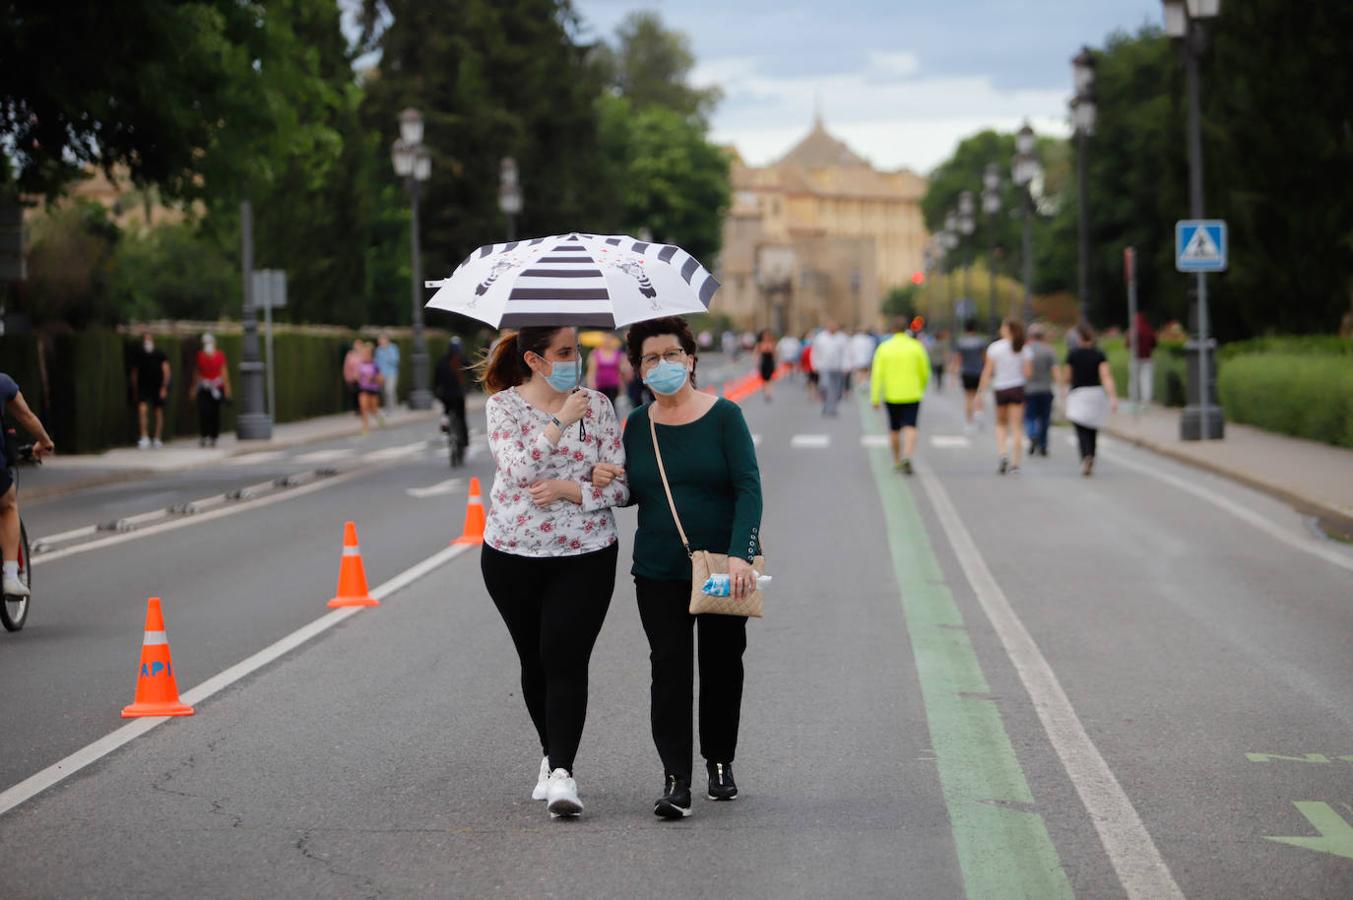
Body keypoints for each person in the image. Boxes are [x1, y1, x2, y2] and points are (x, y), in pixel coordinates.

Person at [601, 316, 762, 820]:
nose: (663, 365)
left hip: (721, 566)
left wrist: (742, 552)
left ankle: (718, 761)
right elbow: (630, 494)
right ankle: (676, 779)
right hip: (658, 570)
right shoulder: (636, 426)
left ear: (691, 360)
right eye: (651, 358)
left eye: (672, 355)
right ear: (639, 370)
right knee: (668, 669)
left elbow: (748, 488)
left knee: (721, 664)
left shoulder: (725, 417)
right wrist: (607, 477)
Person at [478, 326, 629, 819]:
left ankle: (562, 773)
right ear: (535, 359)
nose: (575, 360)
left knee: (566, 657)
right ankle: (550, 753)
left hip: (586, 552)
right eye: (564, 352)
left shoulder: (599, 406)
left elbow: (623, 486)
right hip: (511, 553)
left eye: (577, 351)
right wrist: (560, 422)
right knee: (534, 660)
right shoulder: (503, 407)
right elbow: (517, 471)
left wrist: (575, 488)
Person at [1, 373, 55, 597]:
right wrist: (45, 442)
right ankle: (11, 577)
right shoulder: (3, 383)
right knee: (8, 506)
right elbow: (27, 417)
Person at [870, 318, 931, 475]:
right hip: (912, 393)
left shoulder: (884, 348)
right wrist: (921, 386)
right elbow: (925, 371)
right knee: (911, 426)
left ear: (891, 330)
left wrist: (875, 397)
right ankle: (908, 455)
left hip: (891, 394)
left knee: (894, 429)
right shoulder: (916, 347)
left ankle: (897, 460)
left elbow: (877, 374)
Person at [1061, 323, 1119, 476]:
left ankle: (1085, 455)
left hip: (1078, 393)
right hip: (1096, 393)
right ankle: (1091, 455)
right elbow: (1106, 376)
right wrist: (1113, 397)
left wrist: (1063, 391)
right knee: (1093, 427)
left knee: (1080, 427)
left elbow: (1067, 377)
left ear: (1079, 338)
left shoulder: (1073, 354)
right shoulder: (1099, 354)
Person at [978, 318, 1033, 475]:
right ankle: (1016, 464)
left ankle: (1003, 454)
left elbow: (988, 371)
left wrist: (980, 392)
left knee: (1001, 424)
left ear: (1007, 329)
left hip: (1001, 388)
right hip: (1017, 387)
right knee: (1016, 427)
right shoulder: (1024, 348)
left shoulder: (995, 348)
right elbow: (1028, 373)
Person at [130, 332, 170, 449]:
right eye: (145, 339)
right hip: (143, 386)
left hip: (157, 386)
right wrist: (135, 388)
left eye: (149, 339)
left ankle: (157, 437)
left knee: (158, 412)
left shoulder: (160, 354)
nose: (147, 342)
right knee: (142, 409)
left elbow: (166, 370)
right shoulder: (139, 354)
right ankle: (144, 436)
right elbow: (135, 372)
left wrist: (164, 387)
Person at [1023, 325, 1057, 458]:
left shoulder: (1026, 350)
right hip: (1045, 389)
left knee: (1030, 416)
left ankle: (1032, 435)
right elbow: (1055, 370)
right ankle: (1043, 445)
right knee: (1045, 418)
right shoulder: (1049, 350)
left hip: (1029, 389)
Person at [194, 333, 231, 448]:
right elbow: (197, 372)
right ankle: (204, 435)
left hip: (216, 388)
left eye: (209, 342)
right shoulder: (199, 355)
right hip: (204, 388)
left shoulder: (220, 355)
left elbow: (224, 373)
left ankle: (213, 436)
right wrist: (194, 388)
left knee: (214, 413)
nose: (207, 344)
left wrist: (228, 390)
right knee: (204, 412)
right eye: (205, 342)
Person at [951, 320, 989, 434]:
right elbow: (985, 358)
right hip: (978, 371)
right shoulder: (980, 341)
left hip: (966, 372)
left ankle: (969, 422)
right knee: (979, 394)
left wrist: (954, 372)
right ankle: (979, 412)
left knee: (968, 398)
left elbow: (958, 358)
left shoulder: (961, 342)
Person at [433, 338, 469, 451]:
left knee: (446, 409)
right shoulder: (462, 359)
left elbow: (436, 378)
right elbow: (472, 372)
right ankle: (465, 440)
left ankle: (445, 421)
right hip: (458, 394)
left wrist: (436, 391)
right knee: (461, 417)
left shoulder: (442, 360)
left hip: (445, 394)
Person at [813, 322, 850, 417]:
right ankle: (826, 405)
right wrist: (815, 365)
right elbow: (815, 352)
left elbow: (846, 353)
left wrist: (846, 366)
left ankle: (833, 407)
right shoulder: (820, 338)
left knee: (837, 389)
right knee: (825, 386)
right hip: (824, 367)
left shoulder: (842, 338)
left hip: (838, 367)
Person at [586, 334, 625, 407]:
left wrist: (622, 388)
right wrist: (591, 385)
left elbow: (620, 372)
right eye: (606, 340)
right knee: (601, 405)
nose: (608, 342)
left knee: (612, 405)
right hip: (600, 385)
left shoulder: (617, 354)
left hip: (613, 385)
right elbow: (591, 371)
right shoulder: (596, 353)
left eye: (609, 340)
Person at [355, 343, 383, 435]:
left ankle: (379, 416)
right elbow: (357, 376)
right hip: (363, 388)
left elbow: (380, 379)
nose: (364, 354)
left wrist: (373, 378)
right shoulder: (360, 364)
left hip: (373, 389)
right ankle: (365, 427)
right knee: (363, 407)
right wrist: (357, 377)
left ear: (370, 353)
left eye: (366, 352)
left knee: (373, 409)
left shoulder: (375, 364)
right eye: (364, 353)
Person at [1131, 312, 1157, 407]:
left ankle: (1135, 397)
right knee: (1147, 379)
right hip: (1147, 358)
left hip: (1135, 358)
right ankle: (1146, 399)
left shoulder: (1133, 330)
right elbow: (1154, 343)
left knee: (1134, 379)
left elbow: (1128, 343)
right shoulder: (1148, 329)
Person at [374, 332, 401, 420]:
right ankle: (387, 408)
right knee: (384, 392)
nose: (380, 341)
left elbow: (395, 360)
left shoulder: (393, 348)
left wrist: (387, 352)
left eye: (381, 339)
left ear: (386, 340)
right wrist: (377, 374)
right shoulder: (378, 350)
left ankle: (392, 409)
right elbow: (377, 363)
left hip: (391, 373)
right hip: (382, 374)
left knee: (389, 390)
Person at [850, 328, 877, 392]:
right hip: (862, 360)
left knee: (863, 373)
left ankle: (863, 384)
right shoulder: (867, 340)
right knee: (861, 373)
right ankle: (862, 384)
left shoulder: (868, 340)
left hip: (862, 360)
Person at [342, 340, 365, 415]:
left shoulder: (364, 354)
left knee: (362, 394)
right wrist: (348, 377)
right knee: (354, 394)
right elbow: (346, 366)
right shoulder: (350, 354)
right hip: (353, 378)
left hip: (363, 378)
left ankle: (363, 409)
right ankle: (357, 410)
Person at [755, 329, 777, 402]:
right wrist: (757, 363)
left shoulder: (772, 343)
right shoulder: (760, 344)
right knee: (764, 379)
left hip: (770, 362)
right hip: (763, 362)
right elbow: (757, 354)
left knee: (770, 378)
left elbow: (774, 353)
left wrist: (776, 362)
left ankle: (769, 393)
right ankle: (766, 391)